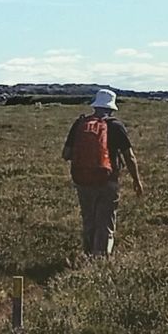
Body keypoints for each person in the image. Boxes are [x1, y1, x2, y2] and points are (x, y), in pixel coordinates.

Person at [62, 88, 143, 257]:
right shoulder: (116, 126)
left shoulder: (80, 124)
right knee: (105, 221)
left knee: (89, 219)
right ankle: (100, 260)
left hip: (82, 179)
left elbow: (66, 154)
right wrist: (136, 180)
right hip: (108, 180)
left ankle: (87, 253)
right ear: (112, 107)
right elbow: (130, 157)